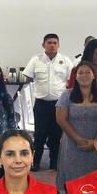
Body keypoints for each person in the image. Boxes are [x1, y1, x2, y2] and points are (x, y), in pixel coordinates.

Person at [23, 34, 74, 172]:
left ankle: (54, 163)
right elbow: (27, 76)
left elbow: (72, 79)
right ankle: (35, 162)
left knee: (56, 135)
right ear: (43, 45)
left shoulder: (65, 61)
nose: (52, 45)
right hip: (41, 103)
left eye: (55, 42)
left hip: (59, 104)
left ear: (58, 44)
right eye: (49, 42)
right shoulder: (36, 60)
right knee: (39, 135)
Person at [55, 62, 97, 188]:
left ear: (94, 75)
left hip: (96, 146)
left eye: (88, 72)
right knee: (71, 182)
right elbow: (61, 119)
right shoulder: (67, 95)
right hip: (72, 146)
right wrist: (78, 140)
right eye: (80, 73)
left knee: (95, 183)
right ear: (76, 77)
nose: (84, 75)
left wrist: (95, 141)